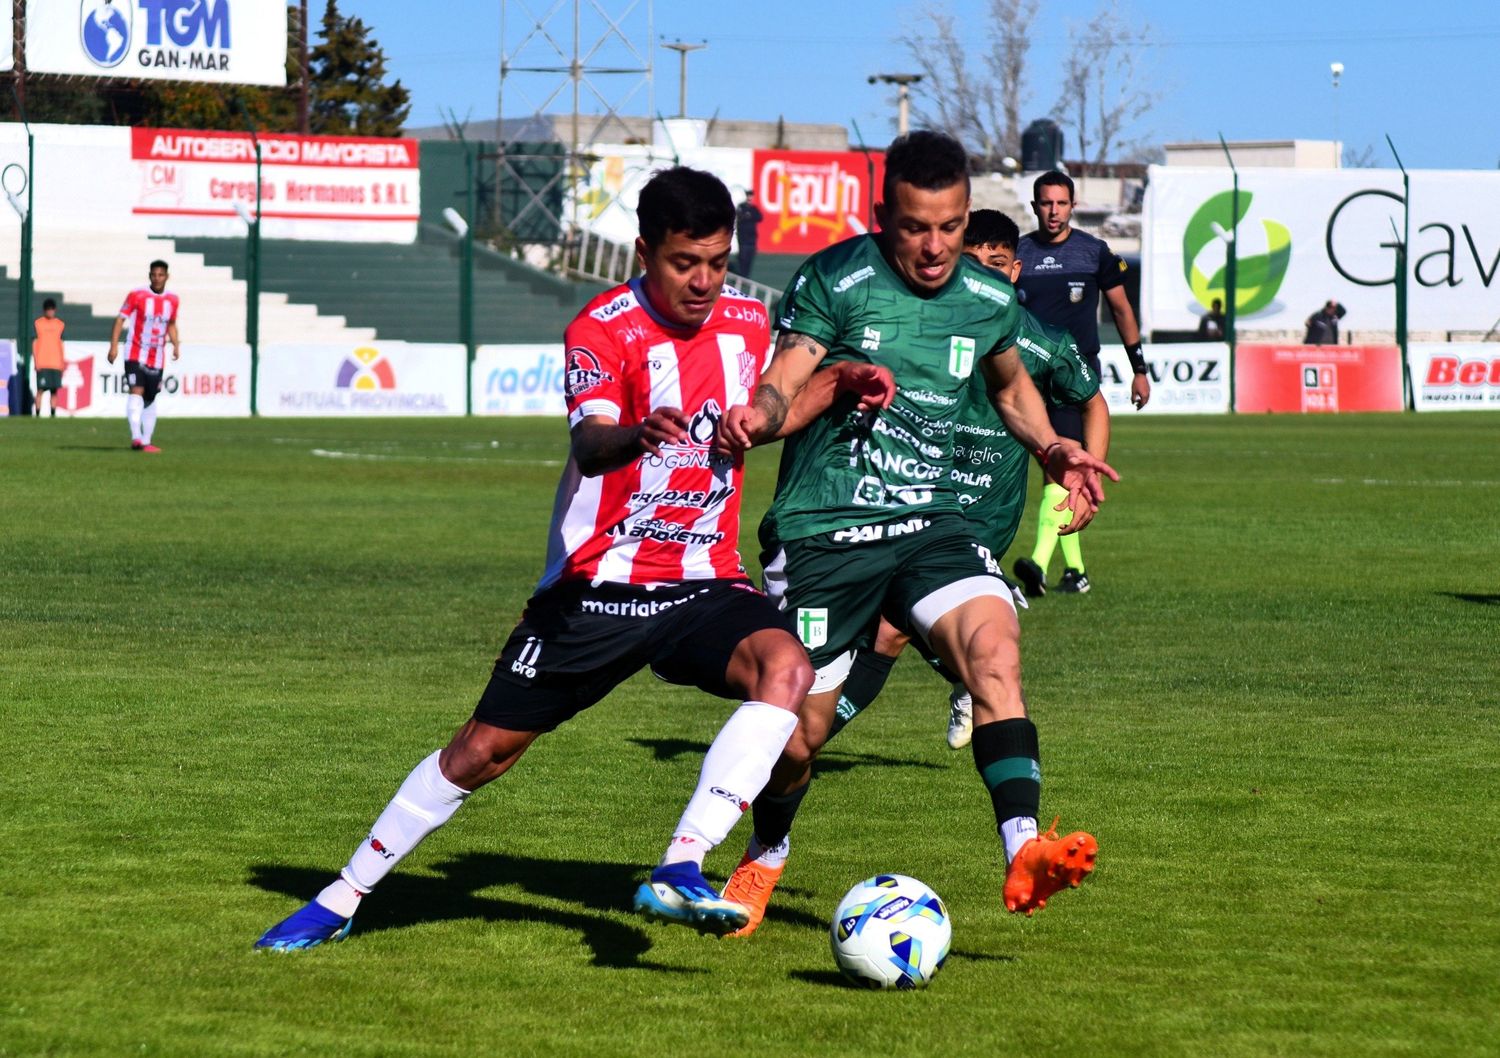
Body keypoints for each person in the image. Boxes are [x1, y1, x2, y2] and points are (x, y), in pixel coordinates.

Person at [253, 166, 835, 952]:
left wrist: (840, 385)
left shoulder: (746, 320)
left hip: (702, 581)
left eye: (716, 261)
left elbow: (774, 412)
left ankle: (683, 863)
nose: (703, 281)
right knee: (480, 753)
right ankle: (342, 896)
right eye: (683, 262)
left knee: (787, 671)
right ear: (644, 251)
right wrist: (636, 432)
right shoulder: (602, 327)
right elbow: (589, 444)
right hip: (596, 589)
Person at [713, 131, 1116, 935]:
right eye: (915, 227)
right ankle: (767, 848)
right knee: (798, 739)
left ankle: (1024, 846)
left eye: (951, 226)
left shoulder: (988, 297)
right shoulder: (836, 278)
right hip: (826, 528)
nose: (935, 247)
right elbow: (787, 375)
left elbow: (1009, 389)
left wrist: (1055, 447)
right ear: (881, 217)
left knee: (995, 652)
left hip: (933, 523)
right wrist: (754, 418)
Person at [825, 209, 1109, 755]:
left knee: (889, 629)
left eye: (997, 264)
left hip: (983, 514)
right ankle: (964, 666)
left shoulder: (1042, 342)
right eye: (972, 262)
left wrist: (1086, 478)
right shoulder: (925, 326)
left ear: (1016, 272)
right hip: (913, 496)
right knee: (887, 624)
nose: (984, 274)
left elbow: (1092, 402)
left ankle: (792, 749)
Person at [1012, 170, 1144, 597]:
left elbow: (1122, 311)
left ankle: (1036, 564)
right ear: (1035, 207)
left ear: (1074, 205)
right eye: (1046, 203)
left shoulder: (1094, 253)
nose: (1053, 211)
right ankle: (1077, 572)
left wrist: (1138, 368)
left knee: (1061, 474)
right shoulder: (1017, 254)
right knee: (1051, 474)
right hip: (1026, 381)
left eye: (1061, 203)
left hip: (1075, 380)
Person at [107, 260, 179, 453]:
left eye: (161, 275)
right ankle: (136, 437)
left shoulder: (172, 300)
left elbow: (171, 324)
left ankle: (146, 441)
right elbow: (120, 319)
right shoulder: (137, 295)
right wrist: (114, 345)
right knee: (136, 390)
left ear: (167, 276)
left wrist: (176, 345)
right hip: (135, 352)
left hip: (157, 356)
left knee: (150, 397)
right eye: (154, 275)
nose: (157, 278)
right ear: (149, 276)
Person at [32, 299, 65, 417]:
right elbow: (34, 343)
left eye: (52, 309)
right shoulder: (38, 323)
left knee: (54, 391)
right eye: (48, 309)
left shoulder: (60, 325)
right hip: (43, 362)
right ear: (44, 310)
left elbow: (61, 344)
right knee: (40, 390)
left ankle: (53, 415)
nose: (50, 312)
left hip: (55, 363)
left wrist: (62, 362)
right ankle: (37, 414)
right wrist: (36, 361)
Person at [734, 190, 763, 278]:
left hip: (752, 238)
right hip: (743, 237)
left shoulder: (754, 209)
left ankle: (745, 277)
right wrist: (746, 216)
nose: (750, 198)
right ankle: (742, 276)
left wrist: (749, 215)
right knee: (743, 258)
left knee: (749, 259)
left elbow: (760, 217)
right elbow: (739, 217)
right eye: (748, 195)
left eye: (751, 196)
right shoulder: (741, 207)